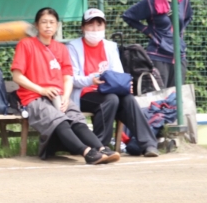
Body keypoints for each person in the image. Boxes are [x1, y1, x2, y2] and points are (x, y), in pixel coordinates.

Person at [10, 7, 120, 165]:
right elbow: (17, 76)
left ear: (57, 26)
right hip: (33, 97)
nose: (48, 26)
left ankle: (101, 148)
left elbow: (67, 77)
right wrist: (41, 90)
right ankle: (87, 153)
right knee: (59, 119)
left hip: (59, 96)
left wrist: (66, 98)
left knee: (77, 119)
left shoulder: (61, 48)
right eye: (44, 22)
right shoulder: (26, 44)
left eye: (52, 22)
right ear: (36, 25)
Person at [68, 8, 159, 157]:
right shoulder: (73, 47)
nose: (95, 29)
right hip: (84, 93)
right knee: (111, 99)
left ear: (104, 26)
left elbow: (118, 74)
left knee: (128, 99)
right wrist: (91, 80)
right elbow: (71, 79)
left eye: (99, 25)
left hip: (108, 92)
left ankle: (149, 144)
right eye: (90, 25)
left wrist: (125, 85)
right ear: (83, 27)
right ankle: (100, 146)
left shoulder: (110, 46)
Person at [122, 0, 193, 88]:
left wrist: (179, 34)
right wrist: (148, 32)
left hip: (179, 55)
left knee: (177, 95)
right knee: (160, 95)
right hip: (158, 55)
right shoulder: (150, 1)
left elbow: (188, 17)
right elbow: (128, 16)